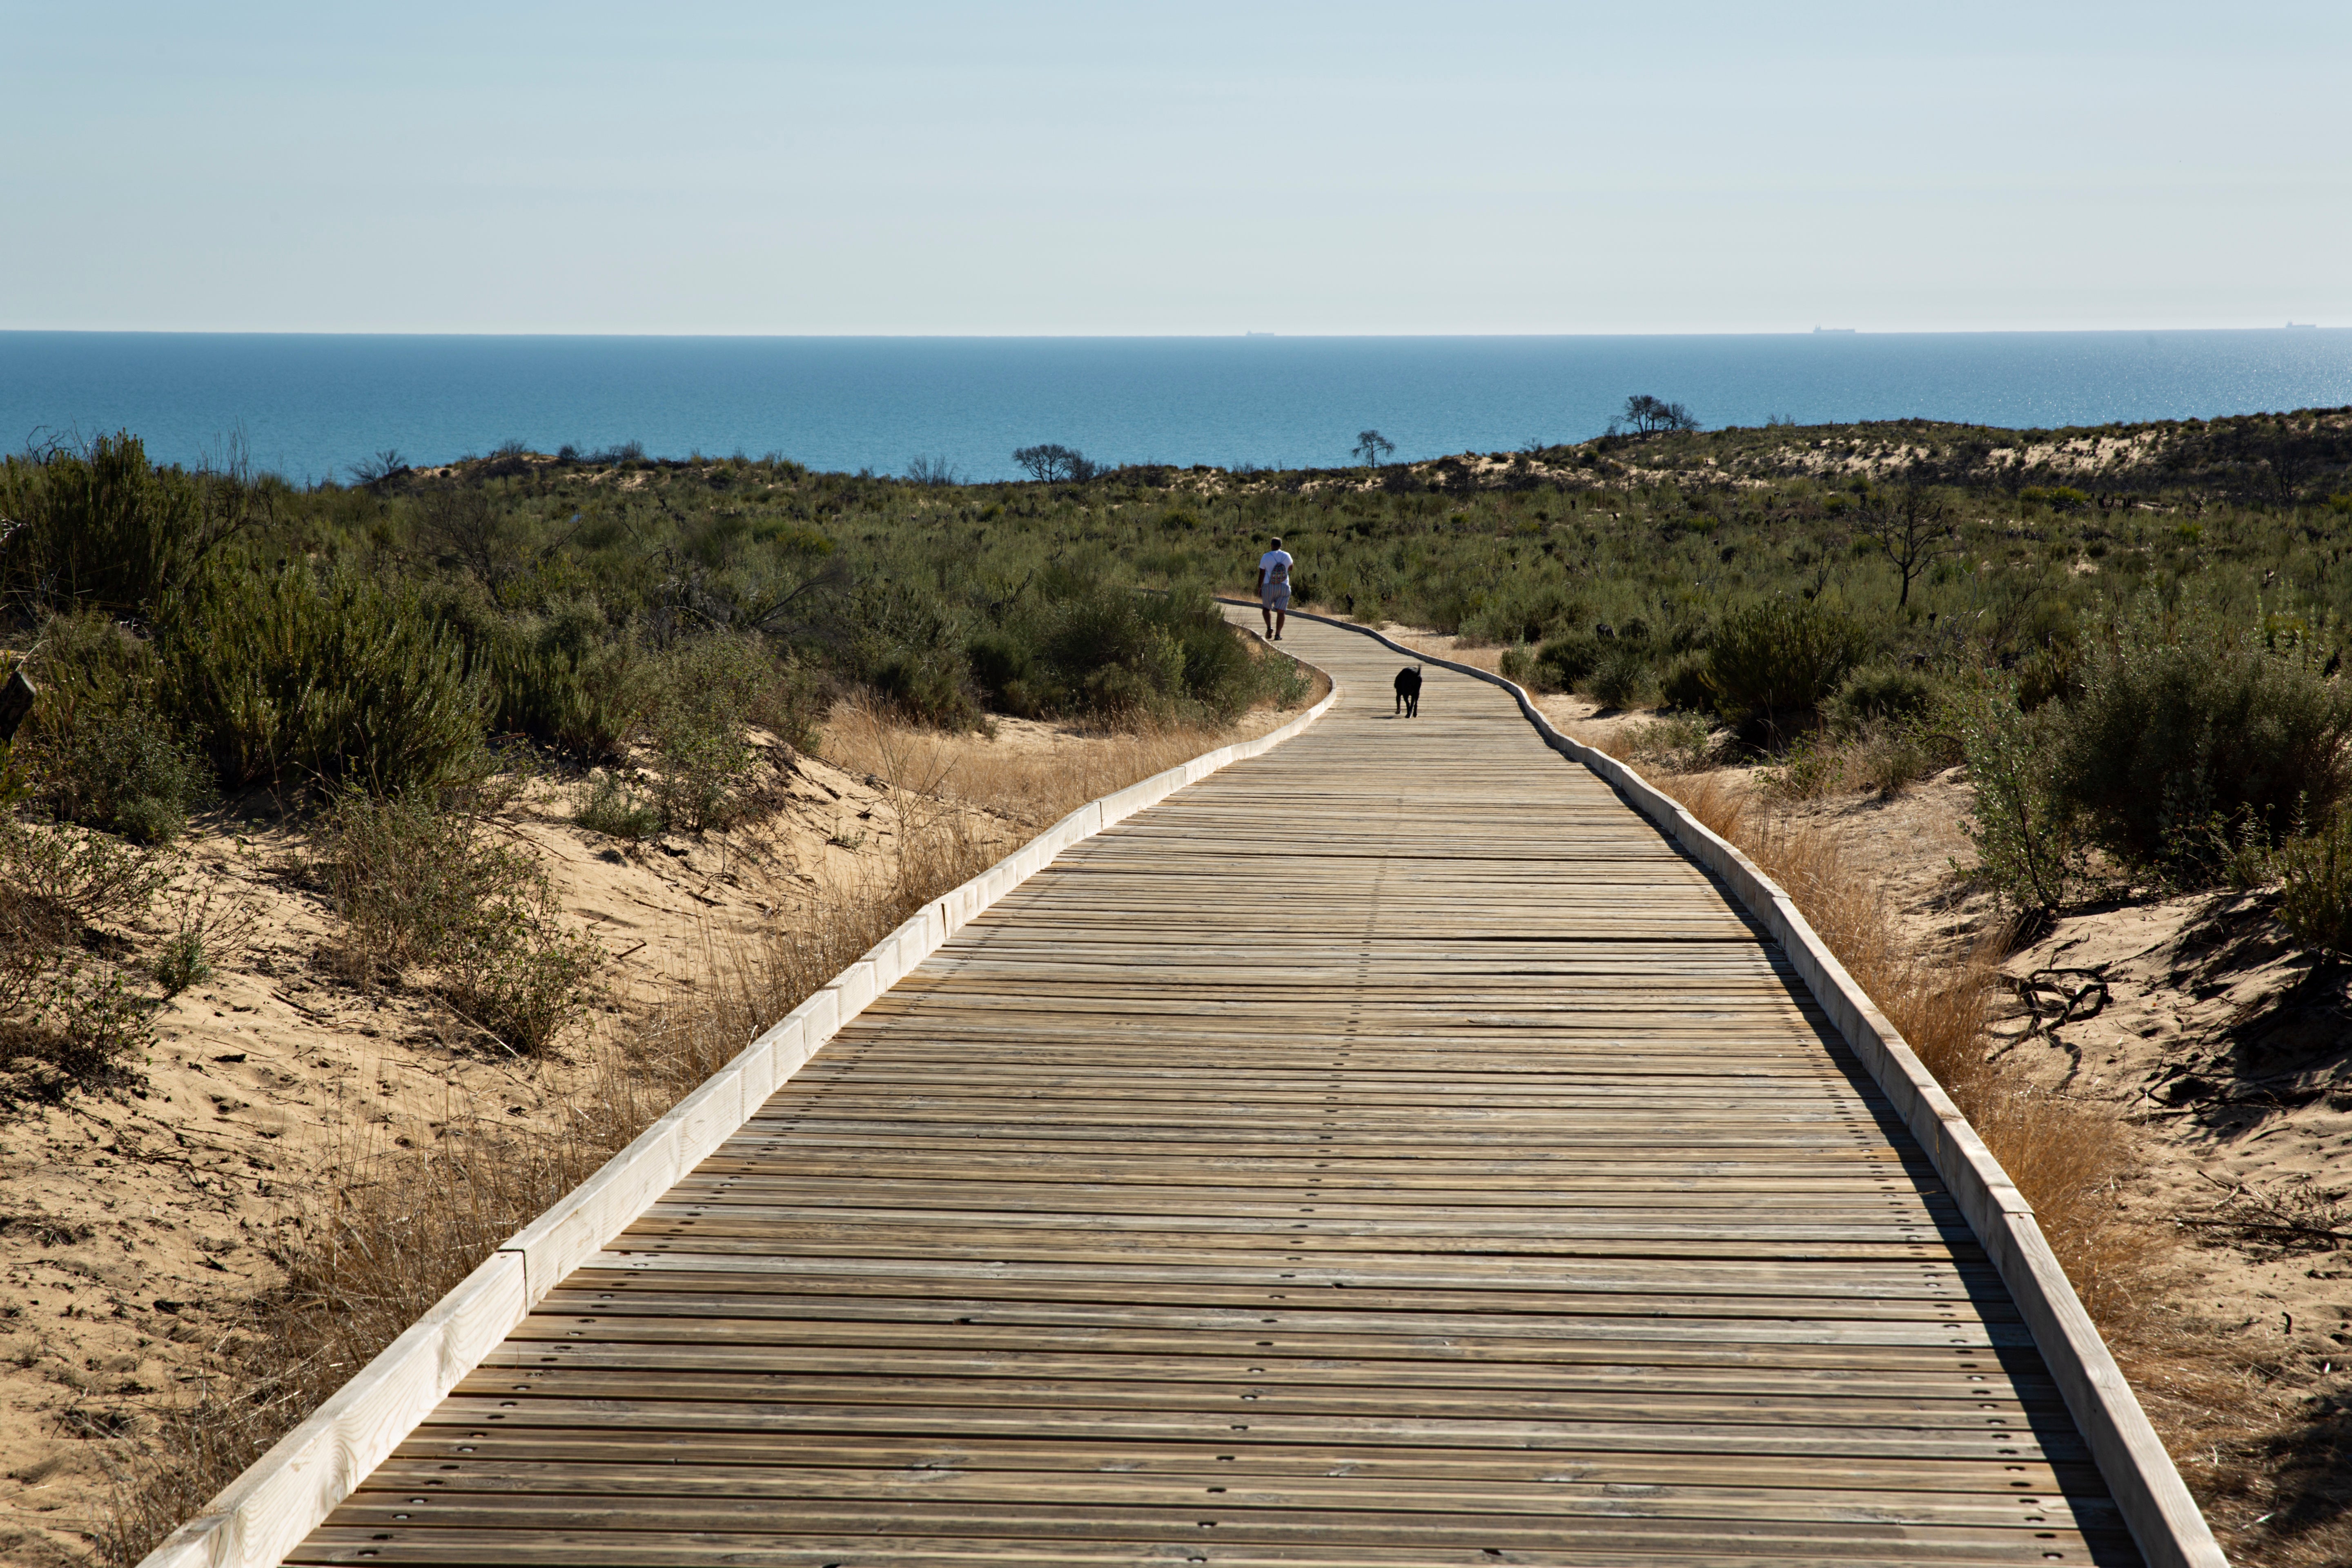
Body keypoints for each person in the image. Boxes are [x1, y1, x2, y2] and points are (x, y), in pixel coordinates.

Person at [1257, 537, 1294, 640]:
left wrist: (1260, 587)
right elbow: (1291, 568)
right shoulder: (1287, 556)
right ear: (1281, 546)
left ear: (1271, 545)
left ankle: (1269, 627)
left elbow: (1262, 573)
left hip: (1269, 586)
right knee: (1281, 612)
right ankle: (1278, 634)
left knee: (1266, 609)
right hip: (1284, 587)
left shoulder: (1266, 557)